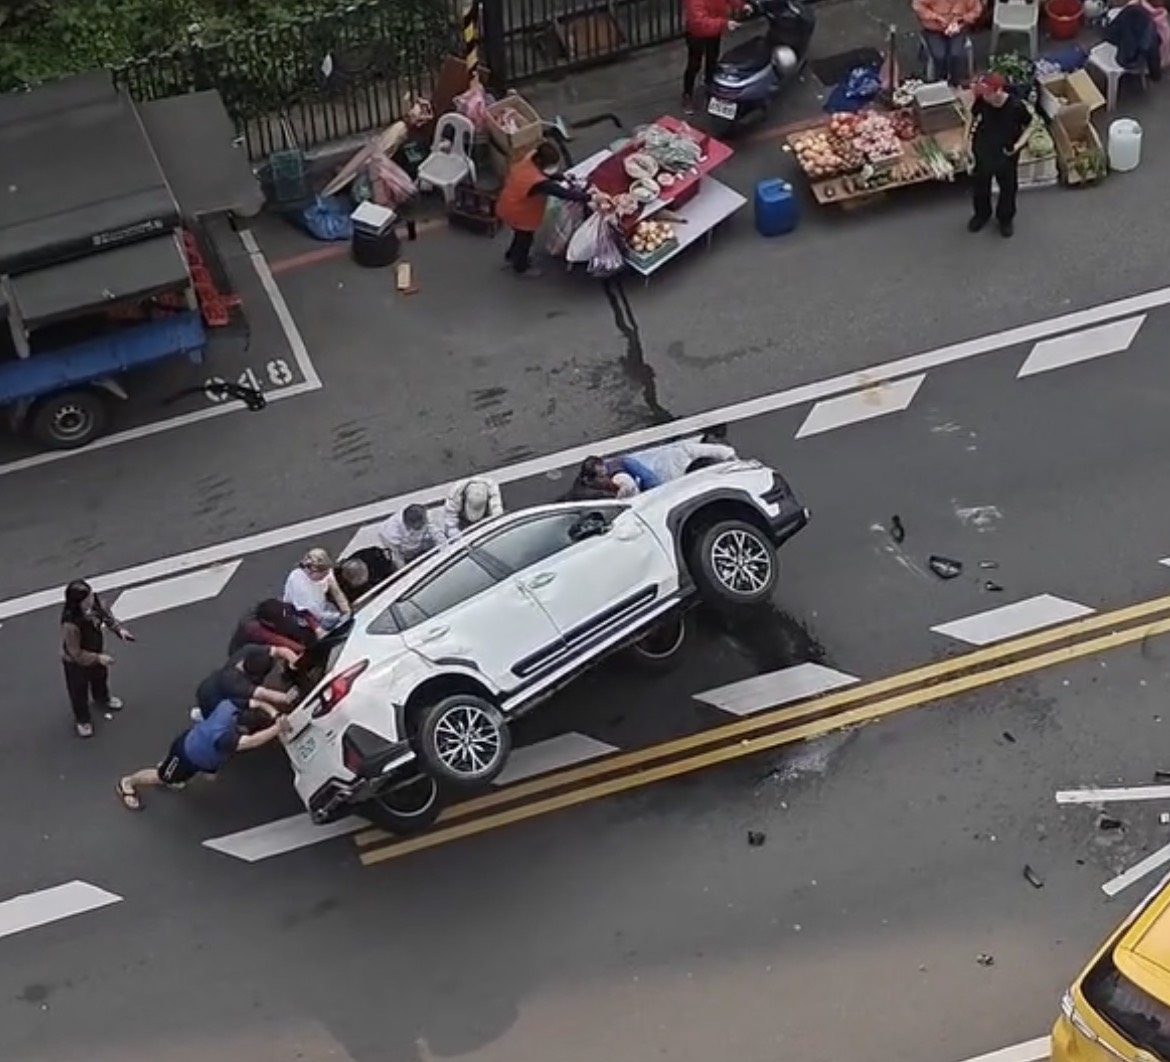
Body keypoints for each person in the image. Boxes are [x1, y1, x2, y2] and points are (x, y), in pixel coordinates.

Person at [117, 701, 290, 811]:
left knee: (206, 776)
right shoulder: (224, 738)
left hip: (198, 748)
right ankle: (128, 782)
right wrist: (277, 728)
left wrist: (275, 714)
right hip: (188, 754)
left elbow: (257, 702)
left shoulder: (229, 707)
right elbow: (252, 741)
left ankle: (171, 768)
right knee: (162, 776)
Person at [496, 140, 593, 277]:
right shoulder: (538, 182)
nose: (554, 168)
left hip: (509, 202)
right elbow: (564, 193)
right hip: (520, 213)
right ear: (541, 162)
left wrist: (559, 176)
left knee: (519, 236)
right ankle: (520, 267)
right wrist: (588, 197)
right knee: (525, 239)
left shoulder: (530, 159)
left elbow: (546, 175)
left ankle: (512, 254)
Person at [60, 579, 135, 738]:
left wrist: (118, 630)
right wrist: (98, 658)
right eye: (87, 598)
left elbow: (106, 616)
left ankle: (102, 698)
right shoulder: (71, 625)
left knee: (100, 677)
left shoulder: (95, 604)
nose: (92, 599)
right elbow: (75, 653)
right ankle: (83, 720)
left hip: (94, 651)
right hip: (76, 663)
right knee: (78, 691)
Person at [967, 73, 1031, 239]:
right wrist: (965, 142)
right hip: (983, 150)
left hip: (1006, 154)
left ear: (999, 91)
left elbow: (1031, 125)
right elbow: (971, 116)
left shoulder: (1016, 106)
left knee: (1008, 188)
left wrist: (1017, 146)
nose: (984, 97)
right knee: (980, 186)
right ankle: (982, 214)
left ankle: (1005, 219)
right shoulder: (982, 101)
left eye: (987, 93)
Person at [190, 643, 300, 723]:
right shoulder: (235, 683)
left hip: (213, 684)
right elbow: (264, 693)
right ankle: (205, 717)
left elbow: (280, 650)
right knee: (246, 716)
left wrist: (296, 662)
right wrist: (287, 697)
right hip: (212, 699)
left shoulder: (251, 651)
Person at [682, 0, 746, 114]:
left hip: (714, 30)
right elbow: (699, 23)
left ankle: (710, 86)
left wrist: (741, 5)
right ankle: (688, 94)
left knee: (712, 60)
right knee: (694, 64)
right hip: (696, 34)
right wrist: (724, 24)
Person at [911, 0, 982, 84]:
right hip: (934, 29)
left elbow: (976, 10)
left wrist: (961, 20)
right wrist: (936, 17)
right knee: (939, 55)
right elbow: (918, 6)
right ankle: (940, 82)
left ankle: (955, 82)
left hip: (958, 29)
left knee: (956, 54)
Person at [626, 432, 738, 484]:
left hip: (637, 462)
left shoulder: (684, 451)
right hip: (637, 464)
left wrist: (736, 464)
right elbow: (724, 452)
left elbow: (725, 452)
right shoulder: (685, 450)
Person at [282, 547, 351, 630]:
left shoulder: (325, 572)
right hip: (302, 617)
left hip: (321, 606)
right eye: (323, 574)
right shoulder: (298, 581)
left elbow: (336, 591)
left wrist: (346, 610)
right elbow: (309, 612)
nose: (326, 576)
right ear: (313, 571)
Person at [227, 599, 319, 657]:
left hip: (271, 629)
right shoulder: (254, 629)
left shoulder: (277, 607)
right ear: (268, 623)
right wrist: (306, 651)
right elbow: (278, 640)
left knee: (298, 630)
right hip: (245, 653)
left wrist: (317, 629)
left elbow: (299, 610)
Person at [378, 504, 452, 569]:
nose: (424, 525)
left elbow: (438, 536)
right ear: (408, 525)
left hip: (422, 544)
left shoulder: (426, 516)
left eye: (424, 522)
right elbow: (397, 556)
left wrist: (447, 554)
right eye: (419, 527)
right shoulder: (390, 532)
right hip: (404, 551)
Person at [561, 457, 639, 501]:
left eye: (606, 473)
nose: (607, 479)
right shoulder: (594, 494)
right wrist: (622, 490)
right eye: (601, 477)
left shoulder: (585, 477)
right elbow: (617, 498)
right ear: (588, 480)